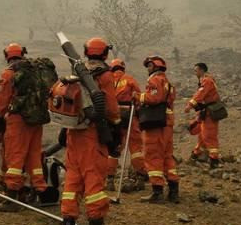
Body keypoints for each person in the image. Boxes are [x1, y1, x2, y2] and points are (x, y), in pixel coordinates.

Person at [60, 37, 121, 225]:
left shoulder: (77, 71)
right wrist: (117, 125)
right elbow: (110, 108)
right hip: (91, 133)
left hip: (73, 132)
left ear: (86, 52)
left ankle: (69, 218)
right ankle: (96, 218)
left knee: (72, 177)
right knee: (93, 175)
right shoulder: (104, 75)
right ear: (105, 53)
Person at [0, 43, 49, 210]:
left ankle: (12, 197)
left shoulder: (9, 73)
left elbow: (3, 101)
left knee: (15, 157)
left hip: (18, 120)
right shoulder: (36, 71)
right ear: (23, 54)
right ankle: (41, 192)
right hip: (36, 120)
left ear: (7, 56)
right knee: (34, 156)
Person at [137, 55, 179, 203]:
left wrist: (139, 97)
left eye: (149, 66)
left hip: (155, 122)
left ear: (156, 67)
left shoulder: (155, 79)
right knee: (167, 155)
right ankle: (173, 190)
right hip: (167, 122)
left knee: (152, 154)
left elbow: (154, 98)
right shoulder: (168, 82)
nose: (147, 69)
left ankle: (157, 192)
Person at [106, 58, 146, 192]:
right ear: (122, 68)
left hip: (114, 117)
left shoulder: (108, 80)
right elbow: (138, 97)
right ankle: (140, 177)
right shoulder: (129, 79)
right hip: (129, 114)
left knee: (114, 148)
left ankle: (109, 180)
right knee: (135, 148)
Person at [184, 62, 221, 168]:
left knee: (209, 136)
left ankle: (214, 160)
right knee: (201, 134)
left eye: (196, 70)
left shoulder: (207, 81)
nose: (195, 73)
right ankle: (196, 154)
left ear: (201, 70)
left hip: (209, 112)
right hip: (205, 112)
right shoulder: (205, 80)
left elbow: (200, 94)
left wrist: (190, 105)